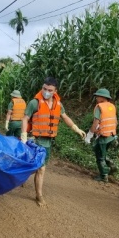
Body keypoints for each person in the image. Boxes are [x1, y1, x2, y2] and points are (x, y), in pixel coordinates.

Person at [21, 77, 86, 207]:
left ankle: (22, 174)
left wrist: (76, 128)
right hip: (35, 140)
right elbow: (25, 118)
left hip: (48, 142)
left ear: (55, 91)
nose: (46, 92)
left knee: (37, 167)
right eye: (44, 89)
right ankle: (39, 196)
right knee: (41, 169)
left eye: (50, 90)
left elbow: (65, 116)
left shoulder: (58, 104)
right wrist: (23, 135)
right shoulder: (35, 103)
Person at [85, 88, 118, 183]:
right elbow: (115, 121)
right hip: (111, 135)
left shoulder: (99, 107)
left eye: (97, 96)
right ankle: (111, 164)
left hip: (103, 136)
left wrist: (89, 134)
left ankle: (104, 176)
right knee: (99, 151)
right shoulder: (112, 106)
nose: (96, 98)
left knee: (99, 156)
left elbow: (96, 123)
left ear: (102, 97)